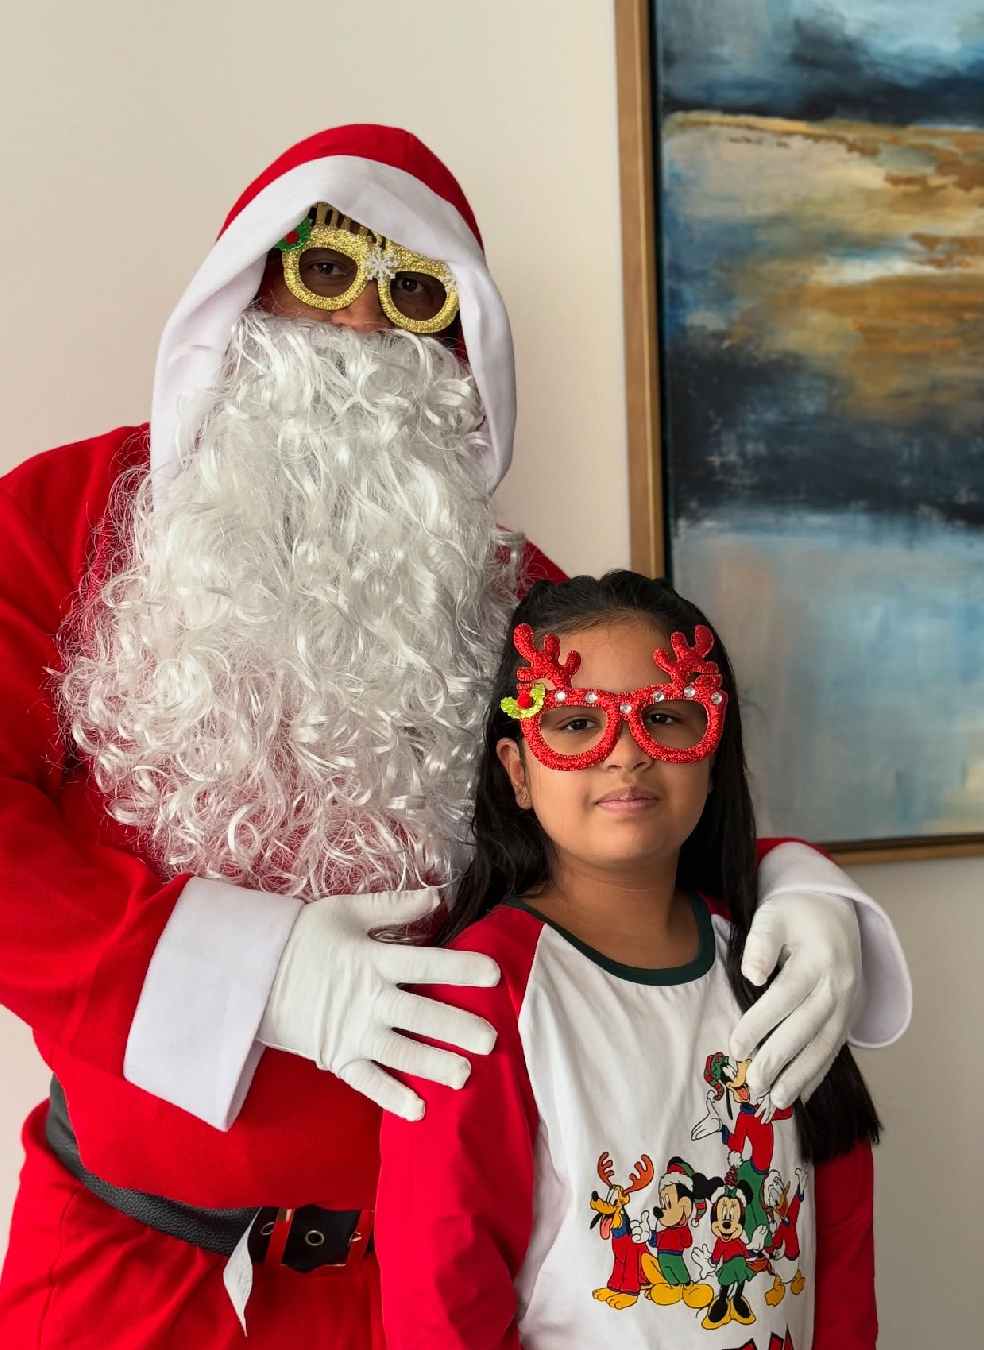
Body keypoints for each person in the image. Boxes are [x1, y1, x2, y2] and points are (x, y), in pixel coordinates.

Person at [0, 125, 907, 1347]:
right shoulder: (62, 518)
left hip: (426, 1277)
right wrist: (251, 974)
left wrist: (789, 881)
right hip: (118, 1269)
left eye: (413, 295)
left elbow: (618, 789)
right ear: (247, 283)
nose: (364, 330)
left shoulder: (513, 595)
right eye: (325, 274)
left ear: (462, 344)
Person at [376, 571, 881, 1349]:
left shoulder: (778, 965)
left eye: (666, 717)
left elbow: (840, 1244)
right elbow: (439, 1307)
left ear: (714, 757)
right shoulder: (479, 993)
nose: (624, 755)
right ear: (517, 770)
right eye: (576, 723)